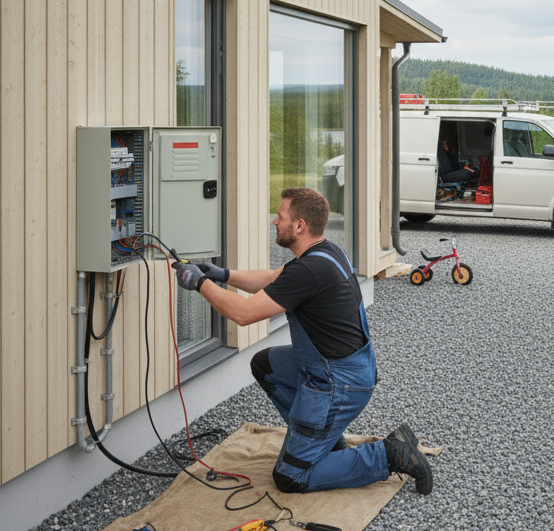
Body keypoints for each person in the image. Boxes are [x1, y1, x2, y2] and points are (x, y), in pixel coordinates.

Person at [171, 187, 432, 495]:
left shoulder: (309, 270)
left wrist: (199, 283)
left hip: (338, 382)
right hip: (340, 368)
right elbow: (271, 279)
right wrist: (222, 274)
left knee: (291, 477)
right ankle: (327, 442)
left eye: (280, 217)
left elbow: (242, 314)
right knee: (265, 365)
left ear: (299, 226)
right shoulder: (325, 252)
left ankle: (391, 453)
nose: (274, 222)